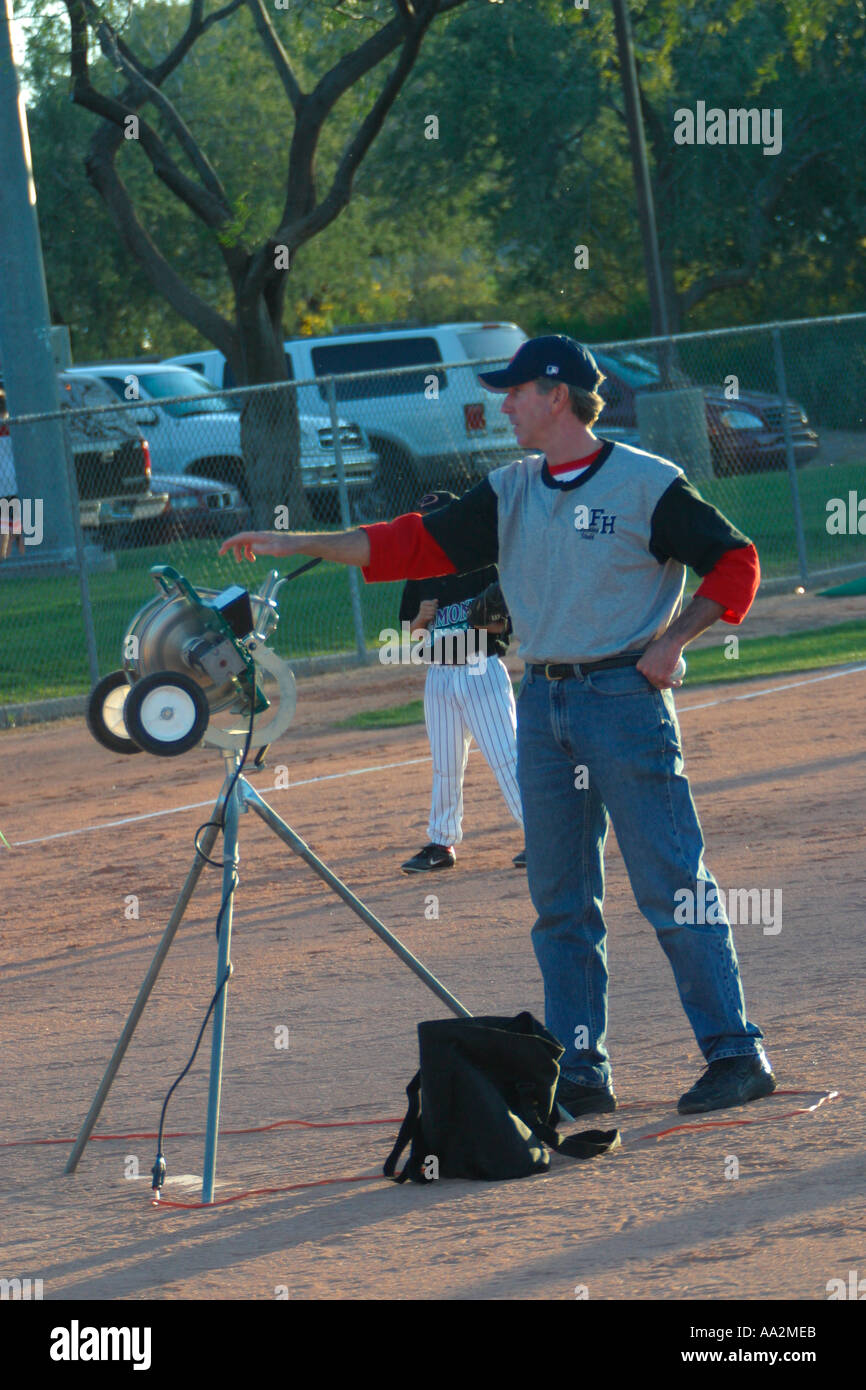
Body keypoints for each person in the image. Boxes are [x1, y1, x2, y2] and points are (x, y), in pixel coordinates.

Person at [219, 334, 775, 1118]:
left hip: (623, 701)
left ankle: (736, 1053)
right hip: (543, 707)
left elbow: (736, 562)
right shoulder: (512, 488)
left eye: (514, 391)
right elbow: (409, 539)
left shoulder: (649, 483)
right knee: (560, 902)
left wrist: (672, 642)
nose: (503, 403)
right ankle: (581, 1068)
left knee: (673, 887)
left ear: (556, 396)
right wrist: (292, 541)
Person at [397, 490, 524, 874]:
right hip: (438, 675)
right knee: (446, 764)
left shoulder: (480, 564)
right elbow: (411, 637)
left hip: (479, 669)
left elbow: (507, 626)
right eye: (425, 521)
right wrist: (419, 621)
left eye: (437, 519)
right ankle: (442, 842)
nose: (432, 528)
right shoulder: (419, 572)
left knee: (506, 755)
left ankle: (543, 836)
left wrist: (483, 620)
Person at [0, 388, 25, 562]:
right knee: (21, 524)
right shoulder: (14, 426)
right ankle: (25, 556)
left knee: (6, 526)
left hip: (4, 484)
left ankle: (5, 558)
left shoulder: (10, 427)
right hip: (18, 481)